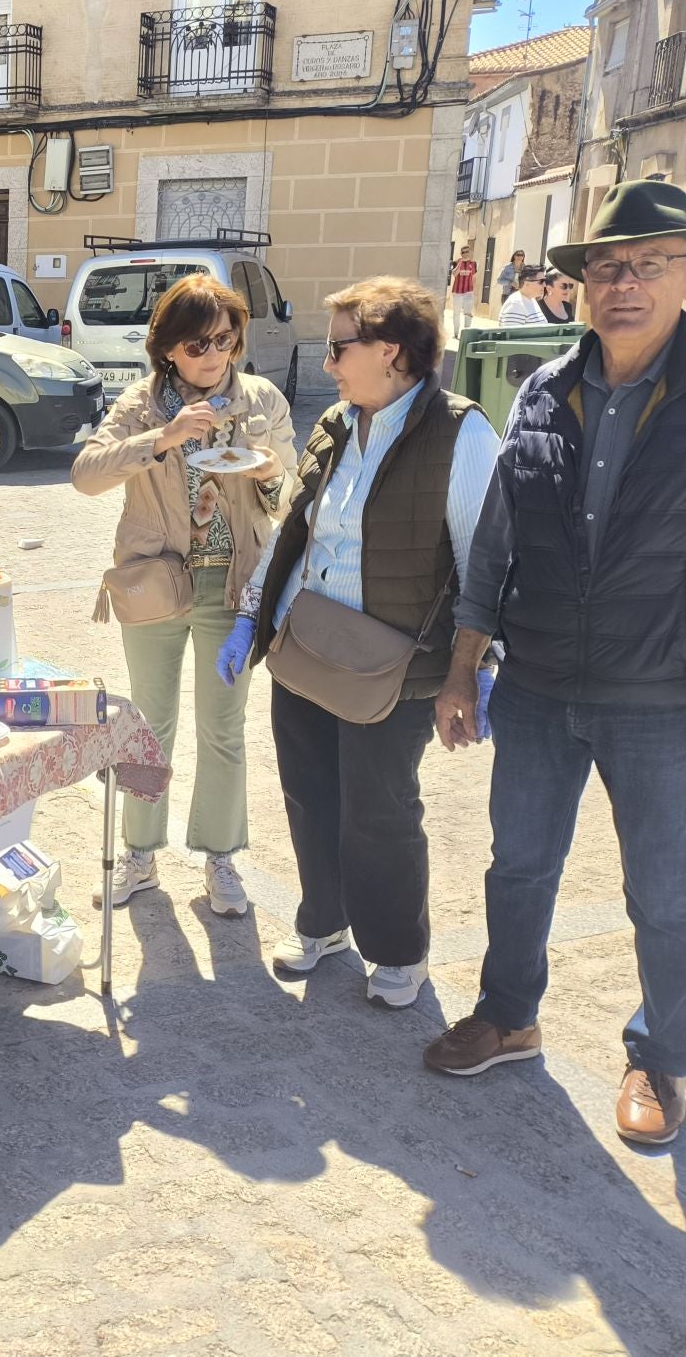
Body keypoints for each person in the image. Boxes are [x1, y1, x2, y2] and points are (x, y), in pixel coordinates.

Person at [426, 181, 686, 1145]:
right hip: (539, 686)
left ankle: (663, 1059)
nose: (626, 283)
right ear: (581, 285)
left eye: (651, 264)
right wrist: (463, 661)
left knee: (667, 892)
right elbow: (495, 546)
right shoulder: (543, 391)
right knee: (518, 867)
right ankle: (511, 1014)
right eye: (607, 267)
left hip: (670, 698)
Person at [216, 276, 500, 1010]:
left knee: (379, 810)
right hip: (307, 646)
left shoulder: (461, 433)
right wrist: (254, 618)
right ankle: (324, 924)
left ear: (394, 352)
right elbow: (295, 532)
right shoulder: (339, 422)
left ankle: (399, 951)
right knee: (310, 796)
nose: (329, 364)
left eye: (341, 347)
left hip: (393, 666)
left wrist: (471, 671)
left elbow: (487, 563)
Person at [70, 273, 293, 915]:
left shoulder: (260, 401)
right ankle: (140, 855)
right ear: (167, 348)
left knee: (222, 728)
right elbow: (85, 476)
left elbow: (292, 499)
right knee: (150, 723)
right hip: (154, 583)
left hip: (232, 583)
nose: (213, 356)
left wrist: (271, 471)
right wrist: (161, 439)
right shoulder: (140, 405)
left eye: (224, 341)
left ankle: (221, 859)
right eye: (196, 345)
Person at [448, 243, 478, 334]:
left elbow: (474, 277)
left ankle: (466, 332)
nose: (465, 254)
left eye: (467, 252)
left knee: (468, 312)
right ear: (461, 253)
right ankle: (456, 333)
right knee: (456, 313)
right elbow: (454, 274)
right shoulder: (456, 262)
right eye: (463, 252)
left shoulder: (473, 263)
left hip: (468, 291)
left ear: (470, 252)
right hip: (457, 291)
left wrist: (474, 290)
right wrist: (460, 263)